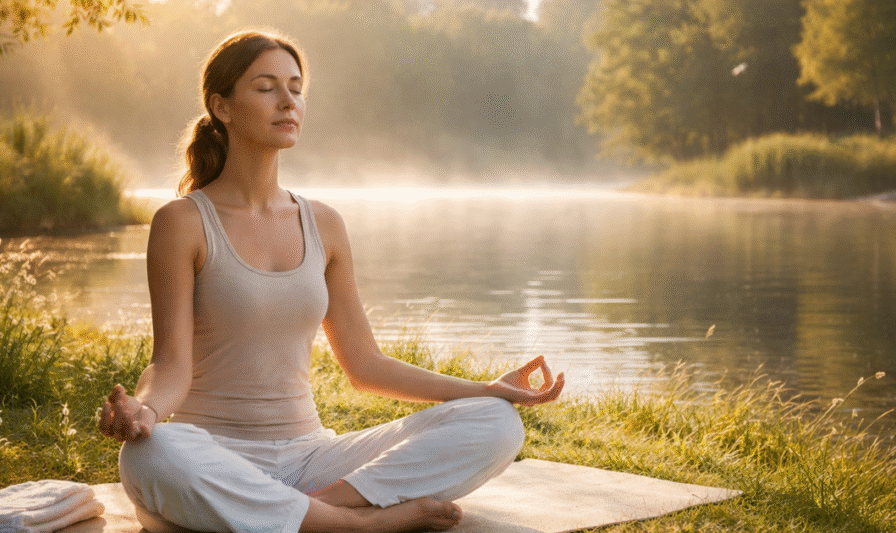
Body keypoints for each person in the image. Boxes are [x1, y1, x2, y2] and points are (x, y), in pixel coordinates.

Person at [97, 28, 564, 533]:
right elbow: (170, 364)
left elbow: (365, 365)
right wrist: (145, 411)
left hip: (311, 459)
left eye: (296, 89)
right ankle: (358, 524)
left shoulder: (323, 223)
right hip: (215, 456)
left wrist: (485, 389)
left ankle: (312, 508)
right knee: (151, 454)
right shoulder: (183, 222)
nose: (288, 101)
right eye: (266, 87)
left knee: (494, 421)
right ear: (222, 106)